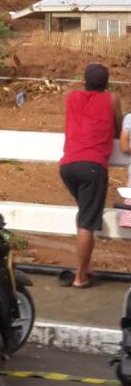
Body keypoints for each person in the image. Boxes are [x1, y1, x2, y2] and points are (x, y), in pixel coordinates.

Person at [62, 63, 122, 289]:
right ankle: (80, 276)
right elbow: (117, 128)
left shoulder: (71, 97)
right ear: (107, 83)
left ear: (83, 81)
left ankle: (86, 266)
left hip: (68, 165)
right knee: (87, 222)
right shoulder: (112, 99)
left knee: (84, 214)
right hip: (93, 166)